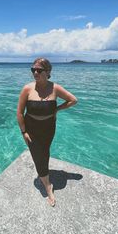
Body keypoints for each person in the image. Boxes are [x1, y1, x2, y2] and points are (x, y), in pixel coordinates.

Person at [17, 58, 77, 207]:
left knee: (45, 152)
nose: (35, 73)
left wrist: (57, 109)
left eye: (39, 70)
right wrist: (23, 132)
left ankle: (44, 173)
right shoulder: (27, 89)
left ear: (48, 72)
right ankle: (48, 186)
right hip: (31, 128)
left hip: (49, 128)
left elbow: (73, 100)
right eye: (33, 70)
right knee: (38, 156)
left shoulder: (55, 88)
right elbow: (19, 113)